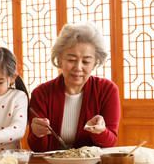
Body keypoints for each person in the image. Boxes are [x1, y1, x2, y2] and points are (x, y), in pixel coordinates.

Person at [28, 22, 120, 152]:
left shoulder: (107, 90)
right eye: (71, 60)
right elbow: (37, 148)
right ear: (59, 60)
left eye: (86, 61)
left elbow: (110, 143)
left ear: (95, 63)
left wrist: (100, 131)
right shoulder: (41, 93)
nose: (78, 68)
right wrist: (37, 134)